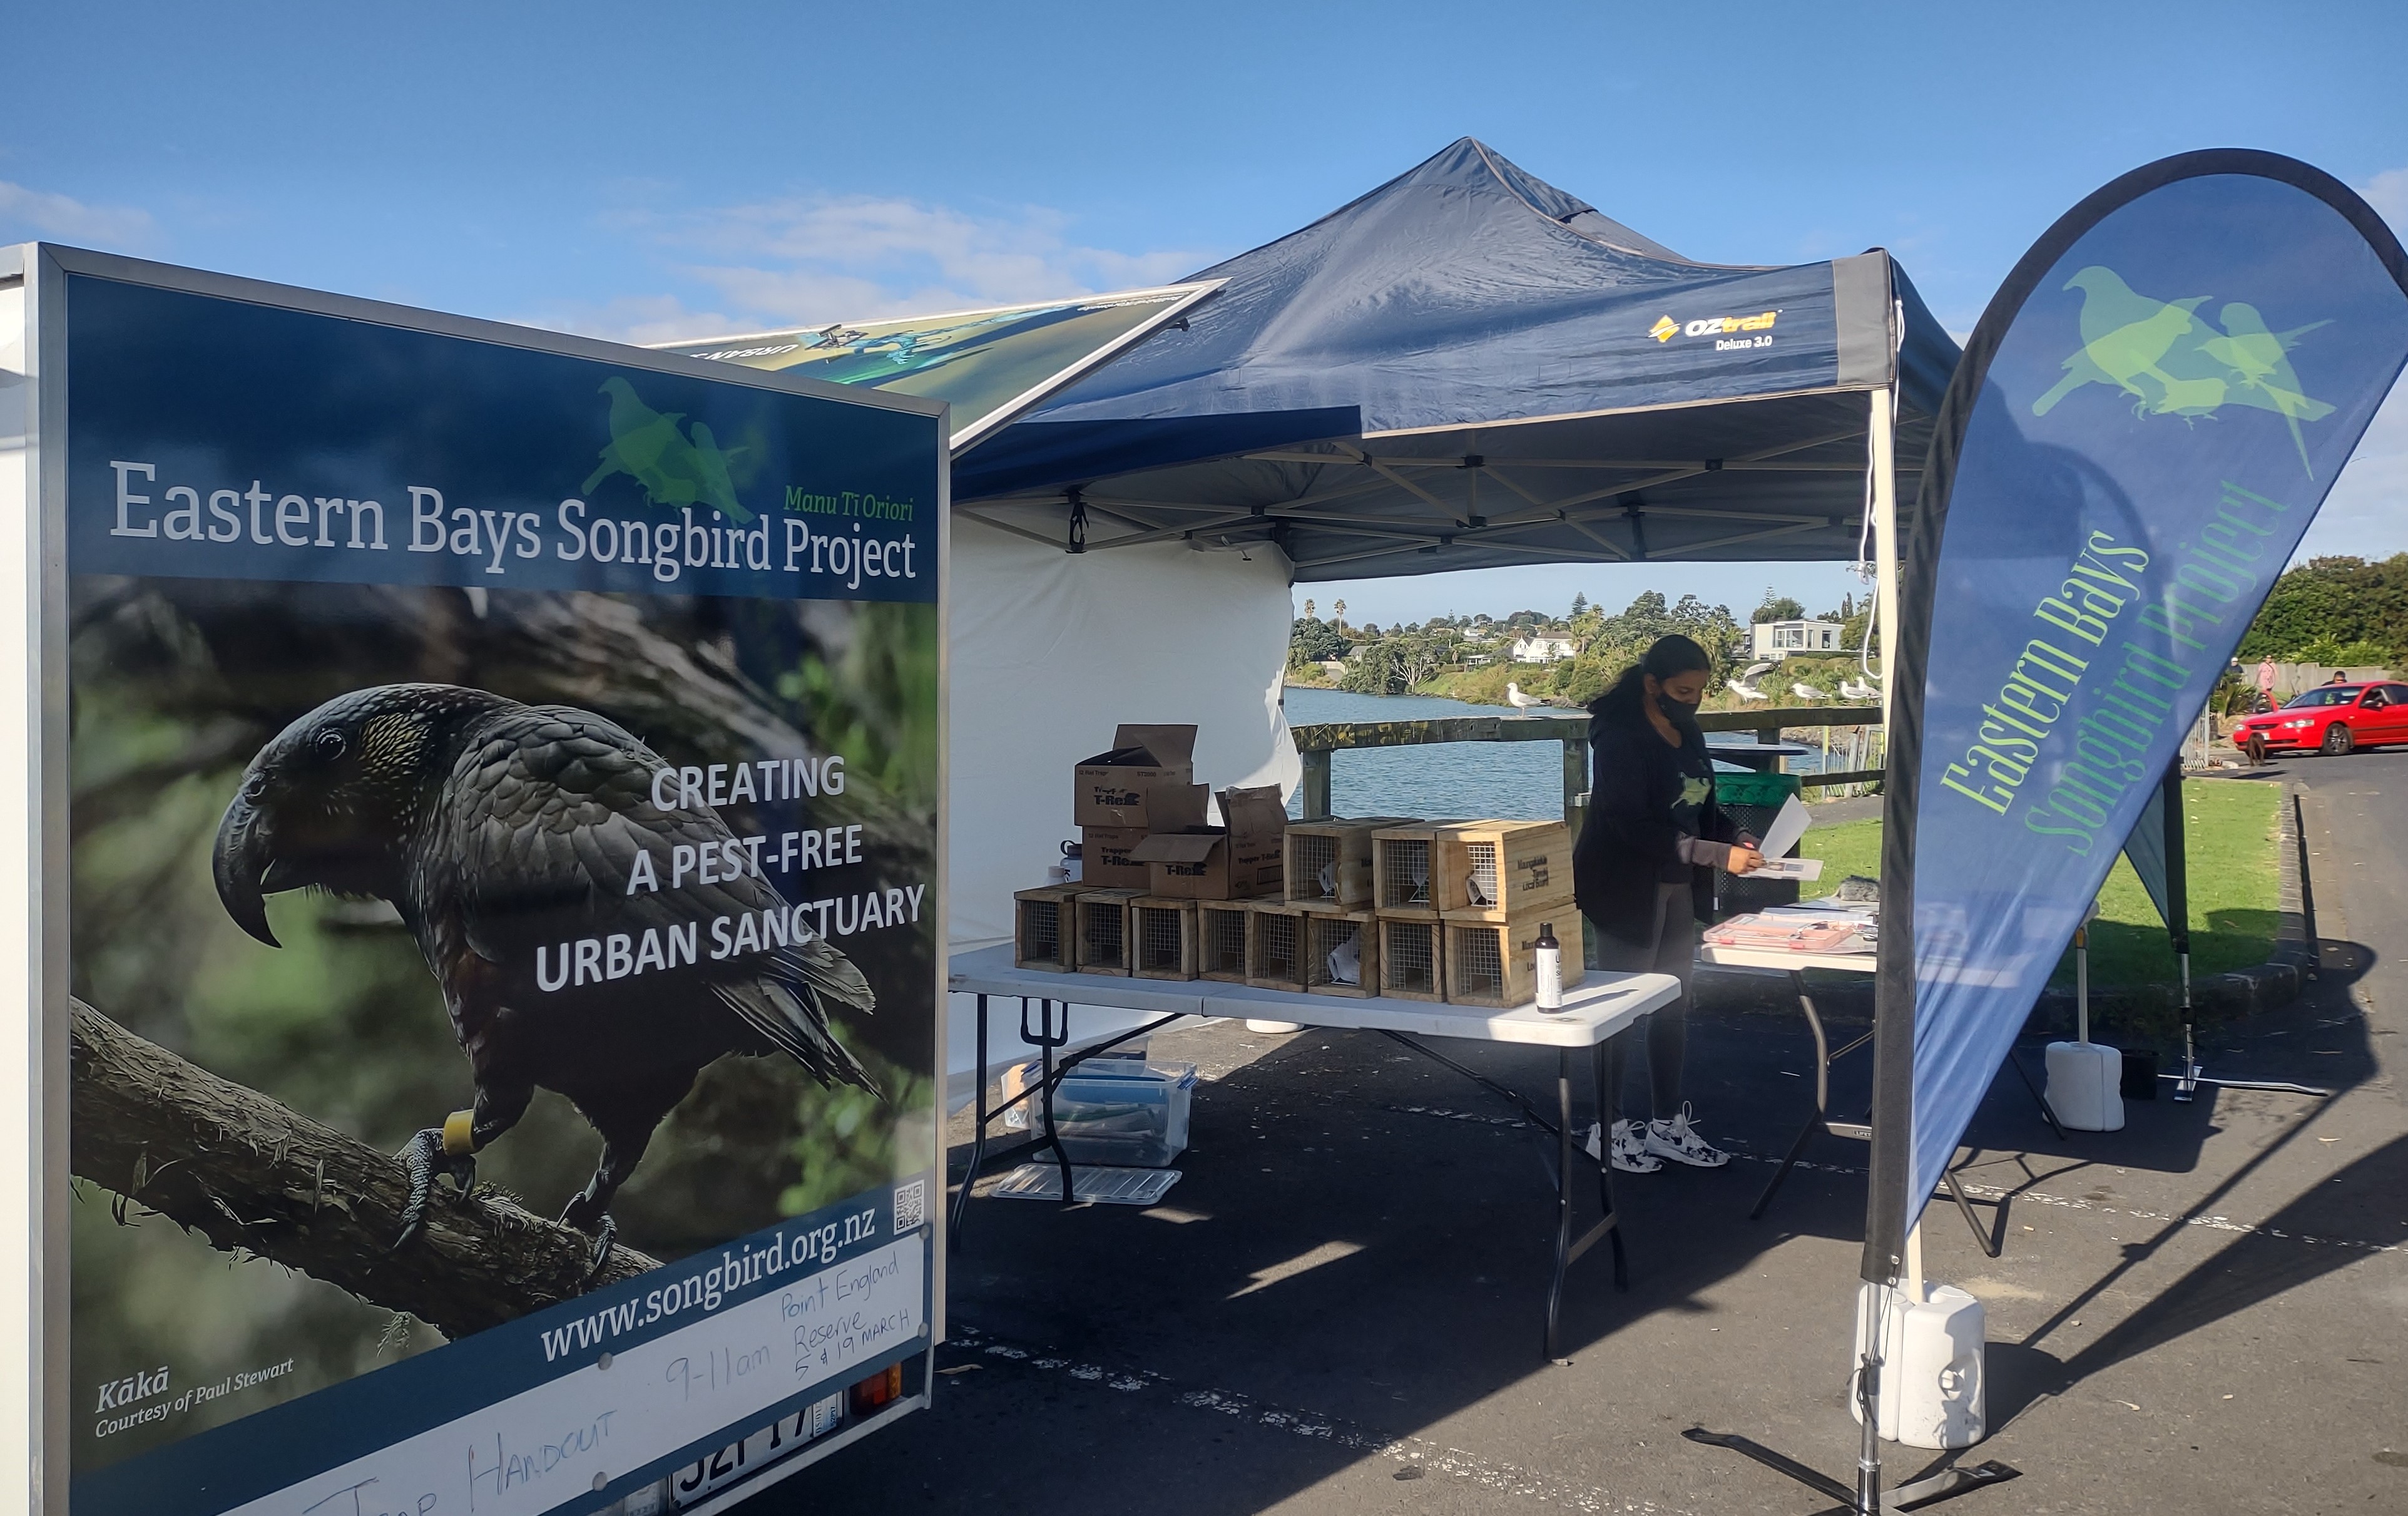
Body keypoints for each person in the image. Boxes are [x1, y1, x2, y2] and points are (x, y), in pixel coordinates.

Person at [1572, 634, 1761, 1174]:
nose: (1694, 700)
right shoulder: (1619, 737)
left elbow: (1703, 803)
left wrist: (1734, 838)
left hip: (1680, 882)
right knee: (1620, 1010)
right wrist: (1714, 854)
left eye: (1701, 692)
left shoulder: (1690, 729)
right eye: (1684, 690)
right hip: (1625, 885)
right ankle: (1606, 1130)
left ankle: (1665, 1126)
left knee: (1674, 1006)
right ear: (1653, 684)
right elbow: (1630, 826)